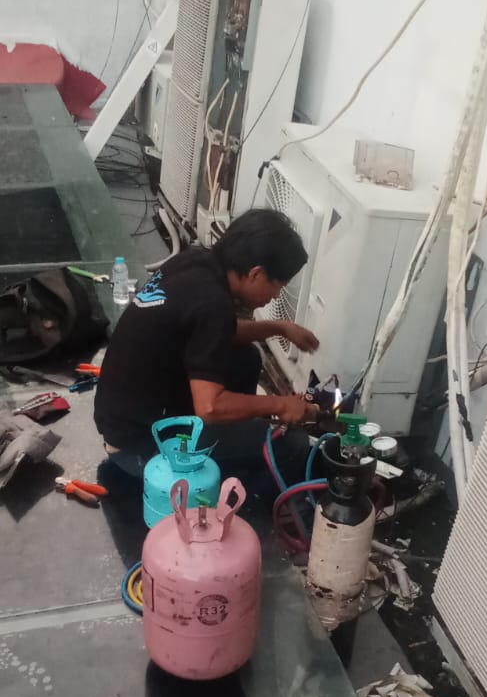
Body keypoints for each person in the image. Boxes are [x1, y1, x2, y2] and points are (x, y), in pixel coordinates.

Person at [94, 208, 320, 494]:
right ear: (256, 274)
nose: (276, 296)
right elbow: (210, 407)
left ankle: (235, 445)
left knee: (247, 359)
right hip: (141, 448)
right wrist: (280, 405)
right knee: (291, 444)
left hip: (122, 418)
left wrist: (280, 328)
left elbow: (216, 332)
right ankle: (239, 500)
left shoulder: (196, 262)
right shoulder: (213, 304)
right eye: (278, 287)